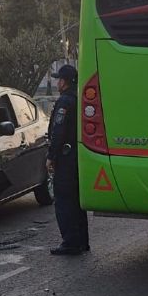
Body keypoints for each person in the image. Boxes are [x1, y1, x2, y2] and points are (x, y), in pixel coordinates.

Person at [47, 64, 89, 256]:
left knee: (64, 199)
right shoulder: (79, 98)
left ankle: (70, 242)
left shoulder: (65, 101)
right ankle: (82, 241)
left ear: (64, 82)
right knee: (76, 200)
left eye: (59, 80)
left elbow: (59, 130)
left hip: (66, 157)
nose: (57, 83)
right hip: (77, 156)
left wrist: (51, 156)